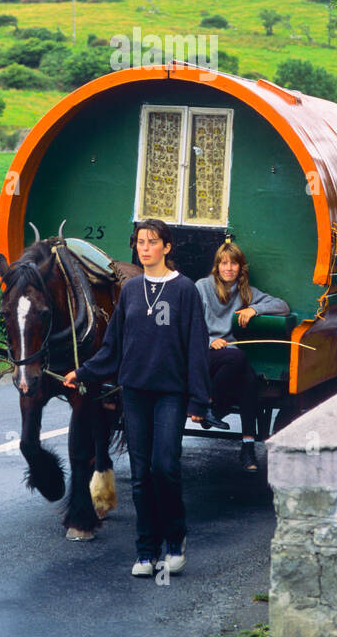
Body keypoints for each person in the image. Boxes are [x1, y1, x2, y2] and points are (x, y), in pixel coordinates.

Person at [64, 219, 210, 578]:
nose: (144, 248)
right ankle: (146, 551)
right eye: (140, 242)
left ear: (167, 247)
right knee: (141, 475)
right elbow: (112, 348)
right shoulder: (130, 292)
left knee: (165, 468)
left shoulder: (185, 291)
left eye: (152, 242)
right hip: (136, 393)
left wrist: (198, 401)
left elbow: (196, 348)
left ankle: (175, 542)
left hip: (171, 394)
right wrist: (82, 373)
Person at [195, 241, 289, 472]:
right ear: (217, 267)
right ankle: (210, 405)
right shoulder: (202, 287)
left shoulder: (246, 292)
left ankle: (247, 445)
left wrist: (253, 309)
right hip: (201, 352)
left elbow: (282, 306)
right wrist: (209, 340)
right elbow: (189, 324)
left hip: (229, 357)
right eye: (224, 263)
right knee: (238, 360)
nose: (229, 268)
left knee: (249, 378)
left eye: (234, 263)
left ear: (240, 267)